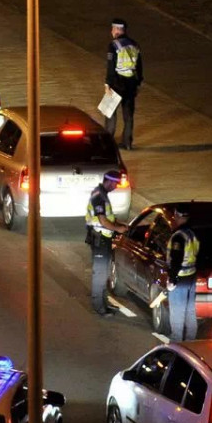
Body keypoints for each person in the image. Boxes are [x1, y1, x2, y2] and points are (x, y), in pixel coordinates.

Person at [85, 170, 130, 315]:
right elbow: (103, 221)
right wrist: (118, 228)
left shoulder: (103, 195)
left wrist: (120, 224)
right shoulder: (99, 196)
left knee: (104, 274)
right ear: (109, 181)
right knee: (100, 274)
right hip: (99, 240)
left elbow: (108, 218)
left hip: (103, 239)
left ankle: (104, 304)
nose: (116, 186)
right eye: (115, 183)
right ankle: (99, 307)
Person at [103, 18, 143, 150]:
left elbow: (111, 66)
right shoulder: (134, 44)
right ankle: (127, 143)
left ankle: (107, 143)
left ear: (116, 30)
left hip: (116, 82)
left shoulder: (114, 45)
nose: (111, 31)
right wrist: (138, 83)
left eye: (112, 29)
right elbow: (139, 66)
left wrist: (107, 84)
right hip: (131, 83)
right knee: (128, 115)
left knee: (110, 112)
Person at [166, 206, 200, 340]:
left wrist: (172, 279)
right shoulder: (192, 234)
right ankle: (191, 343)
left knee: (177, 315)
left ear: (177, 216)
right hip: (191, 276)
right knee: (190, 312)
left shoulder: (178, 236)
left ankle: (176, 345)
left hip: (180, 279)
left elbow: (176, 259)